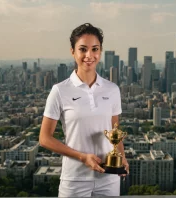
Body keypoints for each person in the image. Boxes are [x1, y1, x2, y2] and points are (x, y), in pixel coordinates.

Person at [39, 23, 128, 197]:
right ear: (73, 51)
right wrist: (82, 157)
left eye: (95, 49)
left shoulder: (112, 89)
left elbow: (115, 133)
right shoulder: (60, 90)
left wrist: (122, 159)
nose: (89, 55)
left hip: (108, 179)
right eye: (83, 49)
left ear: (100, 51)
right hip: (75, 179)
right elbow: (44, 138)